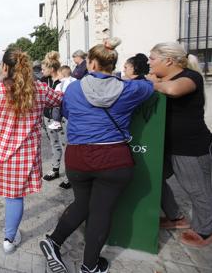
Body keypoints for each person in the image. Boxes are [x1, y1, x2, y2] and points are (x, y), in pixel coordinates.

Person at [40, 38, 153, 273]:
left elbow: (68, 113)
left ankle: (53, 241)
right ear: (113, 65)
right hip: (113, 158)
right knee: (101, 211)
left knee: (82, 204)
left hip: (79, 157)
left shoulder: (72, 88)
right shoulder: (131, 89)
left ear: (91, 64)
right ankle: (89, 266)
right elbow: (150, 85)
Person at [0, 49, 62, 254]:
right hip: (22, 161)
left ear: (6, 67)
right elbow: (60, 99)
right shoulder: (40, 90)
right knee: (15, 197)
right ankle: (9, 240)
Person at [147, 42, 212, 248]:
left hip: (189, 146)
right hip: (165, 144)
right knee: (154, 179)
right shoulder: (161, 78)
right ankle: (176, 218)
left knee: (197, 190)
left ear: (168, 60)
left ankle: (205, 229)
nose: (149, 62)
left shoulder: (190, 77)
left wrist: (150, 83)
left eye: (152, 58)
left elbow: (173, 90)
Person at [41, 52, 69, 189]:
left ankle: (69, 176)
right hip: (48, 117)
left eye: (44, 68)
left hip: (62, 118)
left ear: (51, 69)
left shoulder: (65, 81)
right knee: (54, 144)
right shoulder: (44, 81)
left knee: (66, 145)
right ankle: (55, 169)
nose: (42, 71)